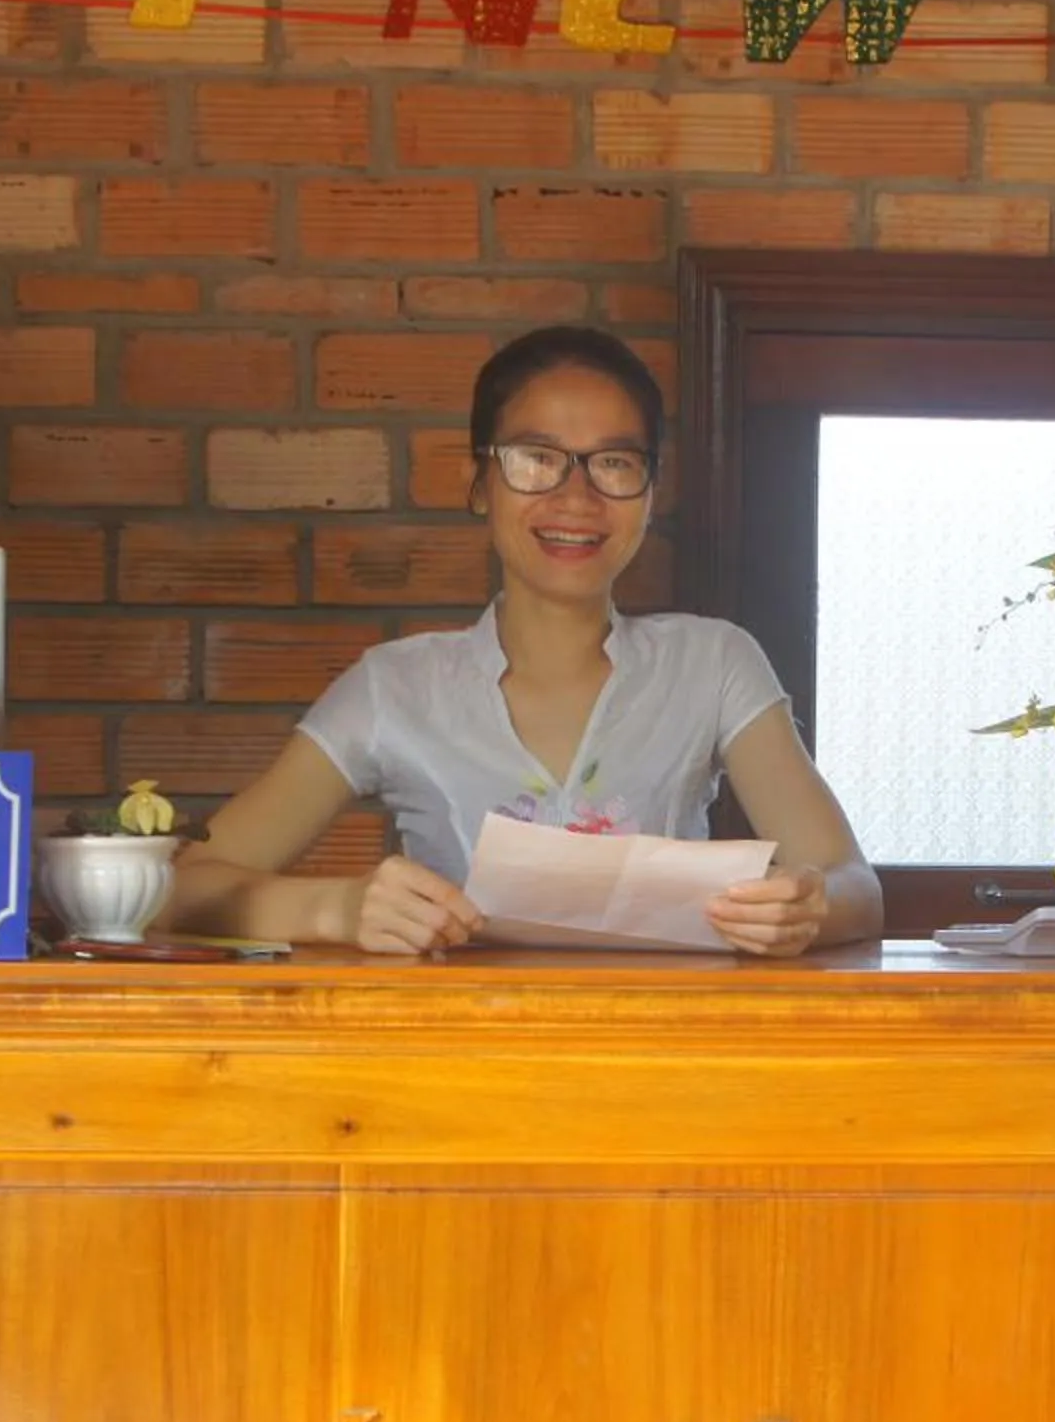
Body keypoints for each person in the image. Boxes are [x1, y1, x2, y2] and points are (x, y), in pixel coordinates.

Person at [164, 326, 882, 957]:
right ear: (479, 481)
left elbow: (855, 887)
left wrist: (803, 910)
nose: (576, 498)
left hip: (667, 1061)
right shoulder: (394, 686)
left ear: (650, 491)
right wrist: (338, 908)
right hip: (458, 1067)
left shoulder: (714, 663)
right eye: (536, 458)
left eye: (614, 464)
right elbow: (179, 892)